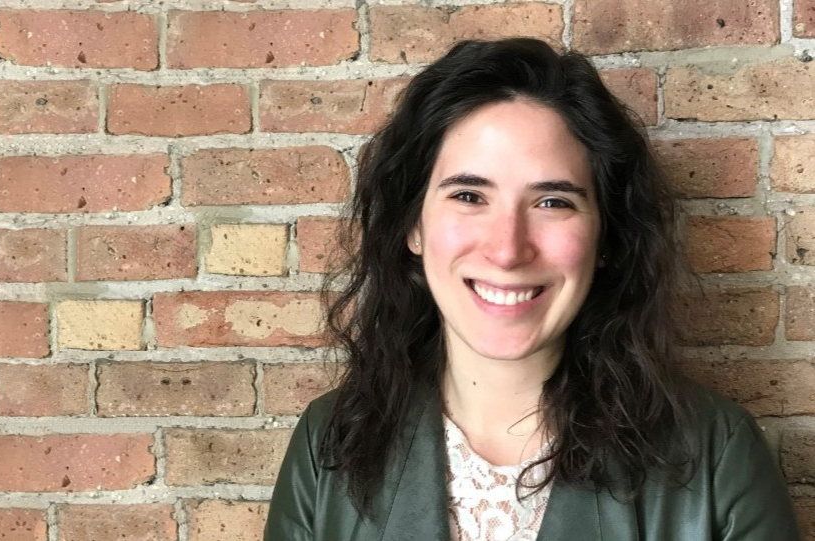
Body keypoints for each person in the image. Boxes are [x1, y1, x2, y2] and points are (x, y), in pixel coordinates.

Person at [263, 38, 800, 540]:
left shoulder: (717, 456)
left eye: (552, 202)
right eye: (470, 196)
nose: (508, 249)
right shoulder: (327, 444)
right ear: (413, 226)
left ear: (606, 236)